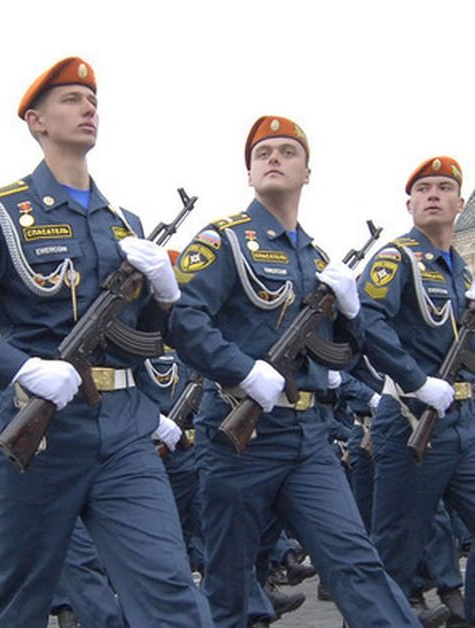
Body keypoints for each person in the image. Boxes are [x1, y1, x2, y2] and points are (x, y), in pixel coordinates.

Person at [0, 57, 210, 627]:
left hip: (124, 428)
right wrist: (20, 368)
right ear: (36, 121)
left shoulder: (125, 222)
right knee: (19, 599)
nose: (88, 108)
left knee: (169, 588)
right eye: (71, 99)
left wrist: (167, 296)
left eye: (92, 100)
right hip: (42, 431)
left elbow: (146, 339)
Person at [167, 115, 428, 627]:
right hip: (240, 434)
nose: (274, 158)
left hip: (308, 435)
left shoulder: (318, 260)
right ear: (248, 173)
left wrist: (351, 314)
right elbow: (182, 318)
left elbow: (341, 356)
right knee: (230, 587)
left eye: (288, 152)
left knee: (357, 561)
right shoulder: (224, 241)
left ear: (307, 173)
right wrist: (243, 371)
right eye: (262, 153)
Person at [359, 155, 475, 625]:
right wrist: (417, 380)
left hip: (464, 422)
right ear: (409, 204)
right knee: (397, 549)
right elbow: (368, 320)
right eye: (423, 189)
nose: (433, 195)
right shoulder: (397, 258)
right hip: (412, 418)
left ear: (459, 203)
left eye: (444, 188)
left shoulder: (461, 273)